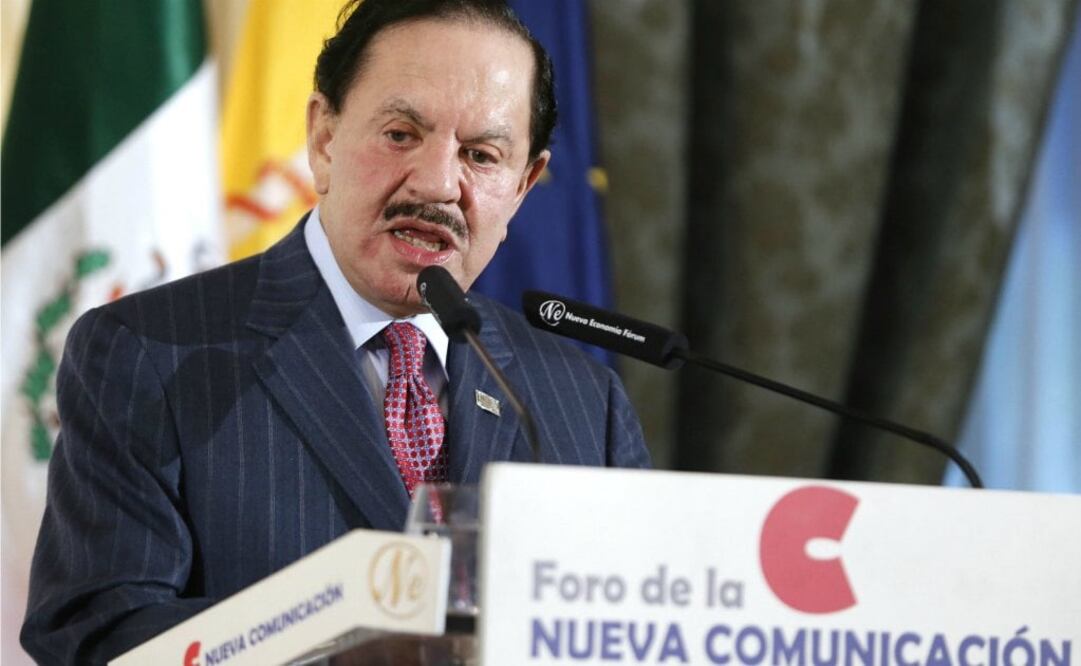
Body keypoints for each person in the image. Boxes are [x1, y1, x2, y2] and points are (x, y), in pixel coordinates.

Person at [20, 0, 650, 663]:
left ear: (522, 187)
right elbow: (96, 635)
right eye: (401, 134)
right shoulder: (150, 353)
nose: (436, 184)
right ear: (323, 139)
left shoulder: (583, 401)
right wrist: (337, 651)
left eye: (480, 154)